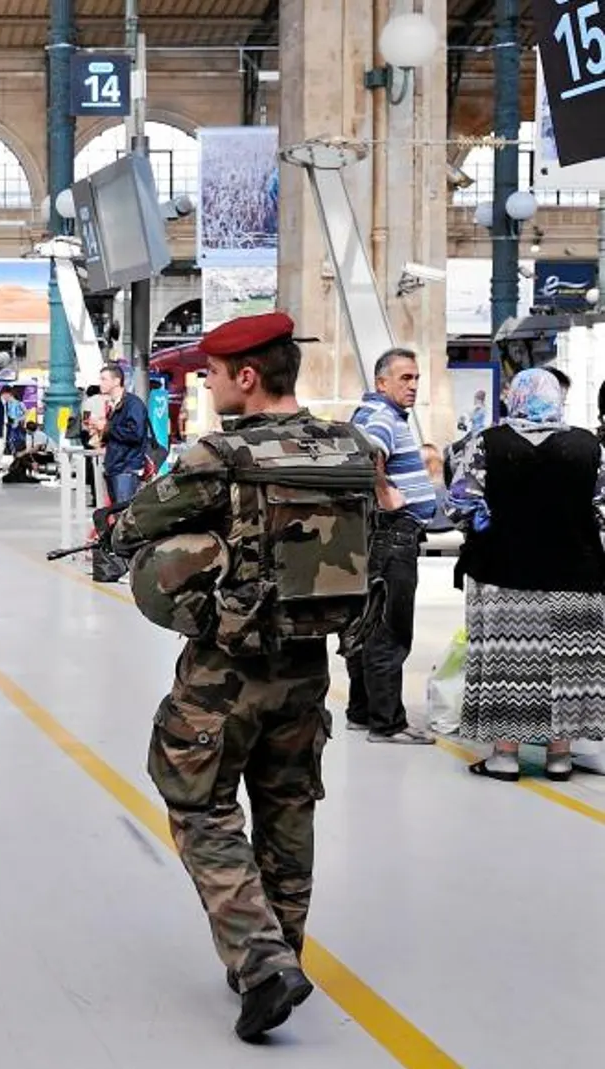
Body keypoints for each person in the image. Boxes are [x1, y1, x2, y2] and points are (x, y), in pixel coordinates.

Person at [108, 312, 377, 1043]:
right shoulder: (352, 445)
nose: (209, 381)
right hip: (309, 665)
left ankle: (261, 964)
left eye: (214, 372)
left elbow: (133, 524)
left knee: (195, 800)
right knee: (289, 802)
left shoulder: (218, 455)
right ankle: (283, 948)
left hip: (225, 670)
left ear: (248, 376)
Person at [448, 368, 605, 782]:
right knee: (569, 669)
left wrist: (486, 528)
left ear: (515, 397)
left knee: (508, 666)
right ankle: (559, 758)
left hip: (505, 577)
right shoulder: (588, 445)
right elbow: (602, 507)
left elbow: (459, 503)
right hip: (577, 579)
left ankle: (504, 756)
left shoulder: (489, 443)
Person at [345, 348, 436, 745]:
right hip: (393, 533)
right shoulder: (382, 416)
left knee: (366, 622)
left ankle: (363, 711)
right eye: (405, 378)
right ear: (382, 383)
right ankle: (388, 723)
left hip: (378, 535)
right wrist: (386, 494)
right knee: (390, 628)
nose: (413, 385)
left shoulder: (373, 413)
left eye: (416, 378)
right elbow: (369, 455)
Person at [97, 366, 149, 506]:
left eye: (104, 379)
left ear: (116, 381)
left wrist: (108, 427)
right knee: (116, 512)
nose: (100, 383)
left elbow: (136, 434)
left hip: (126, 467)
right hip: (115, 465)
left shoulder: (133, 404)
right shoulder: (115, 404)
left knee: (123, 514)